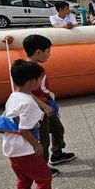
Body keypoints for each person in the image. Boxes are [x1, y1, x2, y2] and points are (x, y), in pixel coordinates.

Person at [0, 59, 68, 189]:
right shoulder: (29, 103)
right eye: (39, 79)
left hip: (11, 149)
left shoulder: (14, 96)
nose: (40, 82)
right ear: (31, 82)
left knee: (24, 179)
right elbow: (24, 130)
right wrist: (37, 145)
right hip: (26, 150)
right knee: (44, 178)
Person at [23, 35, 76, 176]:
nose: (49, 55)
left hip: (48, 105)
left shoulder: (37, 67)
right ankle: (42, 167)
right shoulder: (29, 70)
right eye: (48, 51)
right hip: (40, 110)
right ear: (38, 52)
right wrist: (44, 106)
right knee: (44, 139)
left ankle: (57, 154)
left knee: (58, 129)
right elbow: (26, 92)